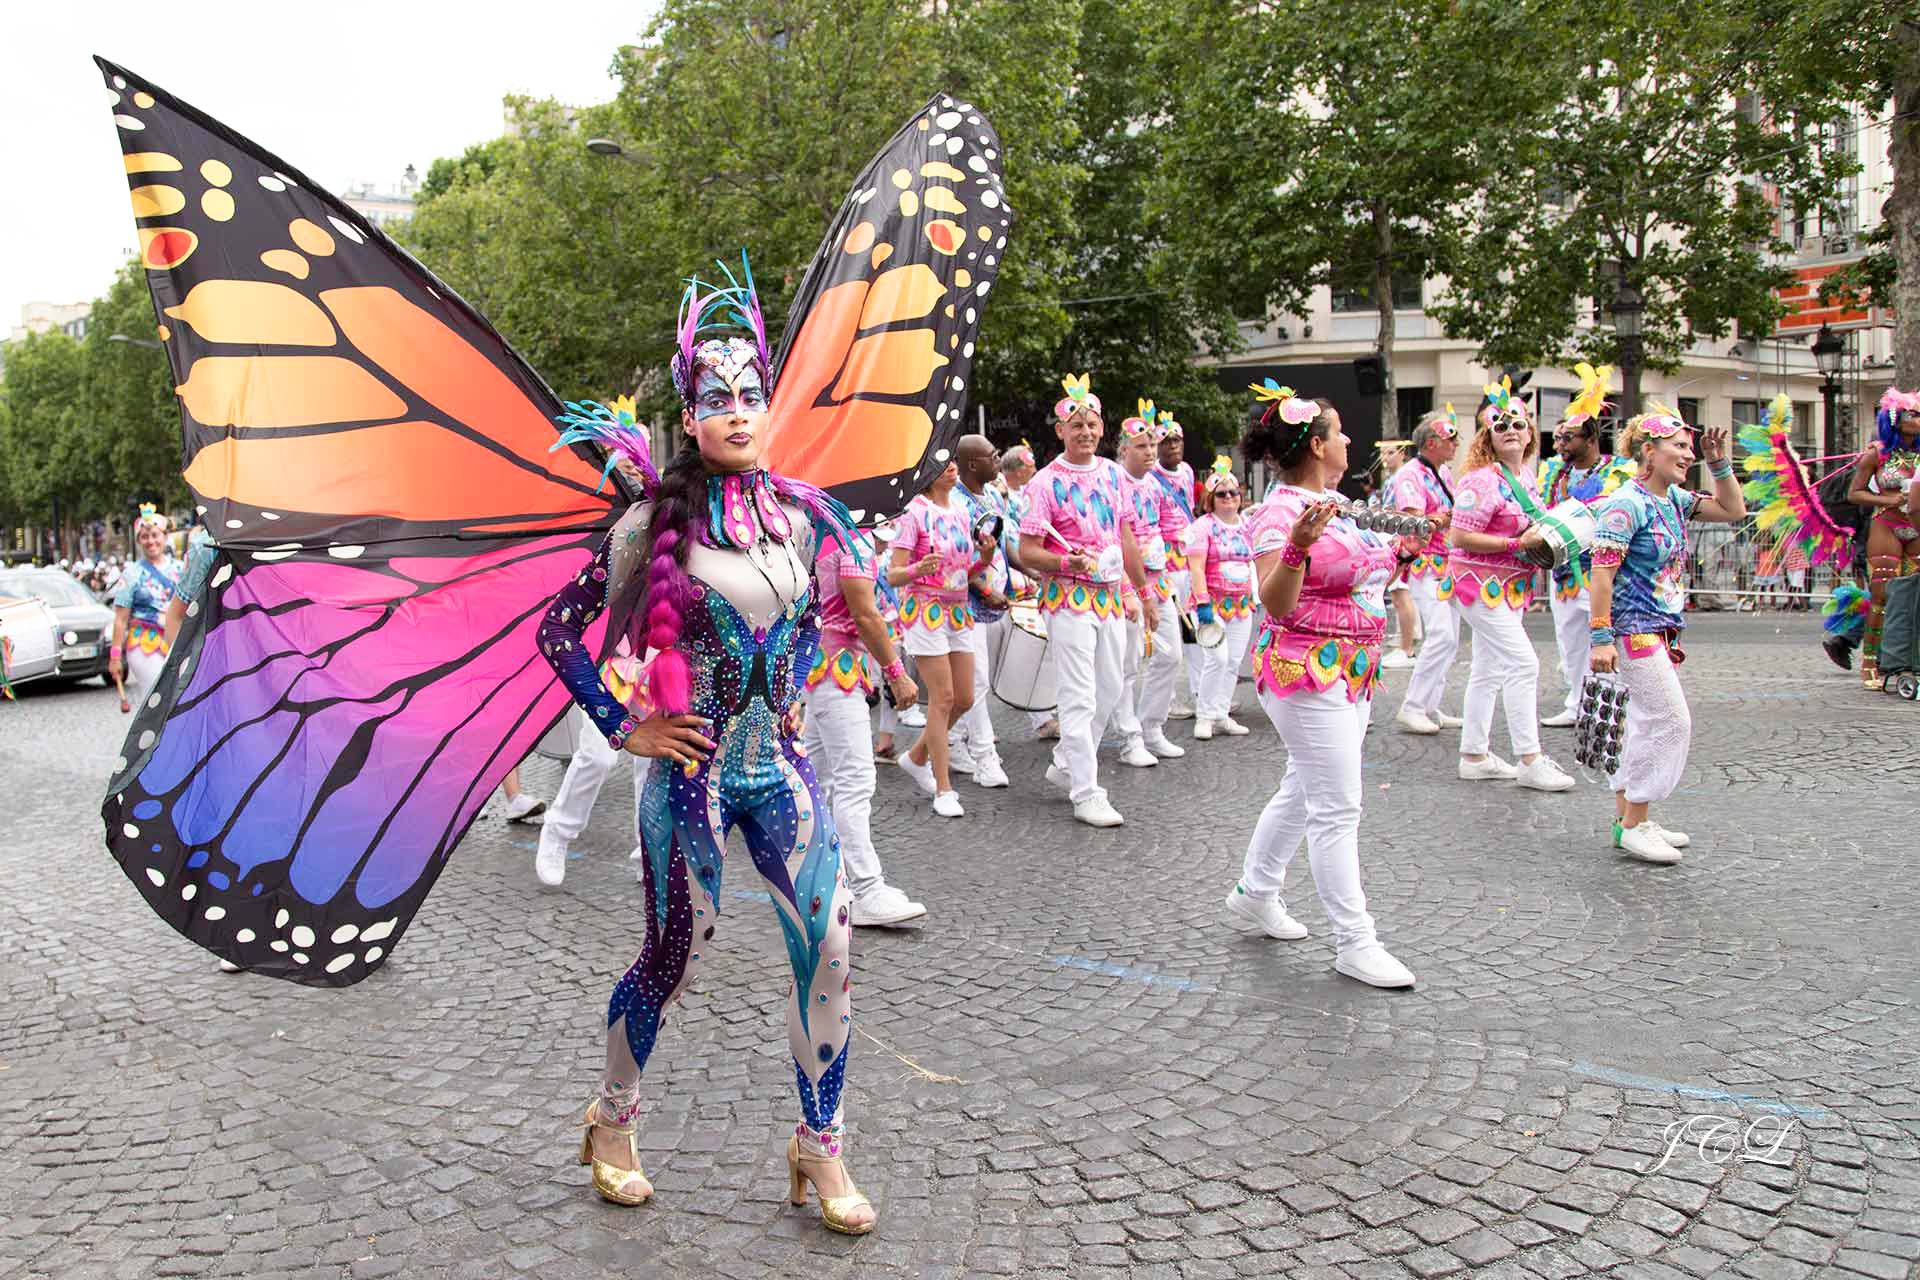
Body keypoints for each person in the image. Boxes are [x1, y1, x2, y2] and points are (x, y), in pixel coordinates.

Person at [536, 271, 875, 1231]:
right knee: (674, 960)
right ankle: (611, 1119)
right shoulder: (651, 524)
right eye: (716, 398)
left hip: (784, 773)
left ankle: (821, 1148)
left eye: (751, 395)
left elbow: (824, 622)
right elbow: (559, 633)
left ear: (772, 404)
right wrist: (623, 725)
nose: (738, 412)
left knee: (832, 951)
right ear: (689, 415)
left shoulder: (807, 515)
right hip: (690, 775)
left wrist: (820, 683)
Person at [1224, 383, 1413, 988]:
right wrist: (1299, 549)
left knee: (1303, 791)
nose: (1350, 440)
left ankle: (1256, 892)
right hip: (1304, 670)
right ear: (1316, 443)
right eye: (1339, 431)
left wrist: (1403, 551)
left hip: (1352, 671)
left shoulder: (1342, 505)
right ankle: (1355, 941)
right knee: (1337, 807)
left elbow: (1368, 574)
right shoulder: (1278, 515)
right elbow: (1276, 603)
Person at [1588, 406, 1746, 862]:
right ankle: (1636, 821)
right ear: (1647, 451)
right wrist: (1601, 638)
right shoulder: (1625, 504)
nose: (1687, 453)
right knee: (1671, 721)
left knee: (1642, 723)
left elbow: (1733, 509)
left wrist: (1719, 463)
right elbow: (1602, 577)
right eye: (1678, 446)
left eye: (1689, 446)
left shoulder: (1674, 500)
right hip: (1632, 630)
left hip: (1660, 629)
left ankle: (1628, 819)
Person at [1014, 374, 1156, 827]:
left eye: (1092, 424)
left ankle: (1066, 761)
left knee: (1111, 689)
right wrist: (1066, 564)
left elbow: (1127, 535)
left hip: (1111, 600)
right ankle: (1086, 792)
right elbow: (1027, 550)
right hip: (1068, 600)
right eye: (1077, 425)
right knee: (1079, 697)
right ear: (1060, 432)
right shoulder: (1044, 483)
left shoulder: (1115, 475)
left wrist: (1142, 591)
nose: (1086, 432)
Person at [1446, 381, 1576, 791]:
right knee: (1523, 664)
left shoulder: (1527, 478)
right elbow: (1460, 537)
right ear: (1488, 435)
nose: (1510, 429)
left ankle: (1474, 754)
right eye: (1500, 424)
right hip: (1478, 585)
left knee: (1489, 670)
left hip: (1509, 587)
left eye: (1518, 423)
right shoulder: (1481, 481)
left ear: (1530, 432)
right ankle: (1530, 758)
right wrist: (1516, 544)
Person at [802, 525, 927, 925]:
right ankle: (866, 889)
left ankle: (818, 883)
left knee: (819, 784)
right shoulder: (849, 540)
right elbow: (866, 614)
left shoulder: (814, 534)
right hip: (837, 675)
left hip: (820, 669)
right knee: (853, 782)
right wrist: (896, 672)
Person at [890, 459, 991, 817]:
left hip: (959, 610)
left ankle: (917, 756)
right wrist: (918, 569)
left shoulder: (963, 509)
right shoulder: (913, 513)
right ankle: (943, 786)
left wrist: (986, 557)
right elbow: (893, 574)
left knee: (965, 697)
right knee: (943, 698)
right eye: (943, 463)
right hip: (925, 612)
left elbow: (966, 570)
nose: (952, 467)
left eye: (953, 462)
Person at [1536, 365, 1634, 728]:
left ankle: (1608, 705)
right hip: (1563, 574)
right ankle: (1576, 702)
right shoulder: (1553, 473)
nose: (1560, 444)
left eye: (1568, 438)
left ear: (1590, 438)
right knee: (1570, 643)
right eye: (1559, 438)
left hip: (1599, 571)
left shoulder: (1616, 470)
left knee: (1603, 637)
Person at [1118, 403, 1185, 760]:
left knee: (1170, 655)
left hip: (1158, 583)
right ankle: (1130, 739)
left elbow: (1168, 528)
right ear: (1124, 449)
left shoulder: (1157, 485)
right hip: (1125, 587)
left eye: (1152, 445)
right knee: (1128, 664)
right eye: (1141, 446)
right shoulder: (1114, 482)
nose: (1150, 452)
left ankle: (1152, 726)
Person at [1391, 410, 1465, 735]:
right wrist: (1451, 515)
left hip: (1448, 562)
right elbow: (1415, 522)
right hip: (1425, 564)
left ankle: (1431, 705)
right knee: (1441, 634)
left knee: (1451, 639)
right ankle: (1413, 706)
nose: (1456, 444)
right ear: (1432, 442)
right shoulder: (1410, 475)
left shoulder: (1443, 472)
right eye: (1451, 439)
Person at [948, 433, 1014, 789]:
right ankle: (985, 755)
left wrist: (1030, 574)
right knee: (976, 681)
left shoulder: (990, 496)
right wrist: (984, 589)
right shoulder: (956, 503)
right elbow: (958, 558)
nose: (998, 459)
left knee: (973, 682)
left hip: (994, 602)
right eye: (992, 455)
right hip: (966, 606)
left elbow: (1004, 546)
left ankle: (952, 742)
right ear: (973, 464)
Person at [1848, 387, 1920, 688]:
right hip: (1886, 525)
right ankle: (1870, 663)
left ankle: (1910, 657)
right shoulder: (1877, 454)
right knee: (1881, 595)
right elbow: (1855, 493)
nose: (1918, 418)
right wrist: (1889, 501)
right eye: (1912, 414)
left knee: (1916, 594)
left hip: (1916, 524)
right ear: (1895, 419)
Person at [1184, 456, 1258, 740]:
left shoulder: (1247, 526)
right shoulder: (1202, 527)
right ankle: (1204, 715)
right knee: (1217, 658)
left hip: (1241, 605)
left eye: (1233, 493)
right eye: (1221, 494)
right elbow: (1196, 567)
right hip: (1211, 604)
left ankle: (1221, 713)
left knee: (1233, 662)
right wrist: (1203, 603)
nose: (1228, 498)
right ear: (1210, 500)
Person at [1151, 411, 1200, 720]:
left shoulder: (1188, 472)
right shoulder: (1152, 477)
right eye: (1165, 441)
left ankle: (1201, 691)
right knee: (1171, 629)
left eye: (1177, 440)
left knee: (1194, 627)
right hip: (1166, 560)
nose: (1172, 446)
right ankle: (1166, 700)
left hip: (1189, 555)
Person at [109, 504, 181, 715]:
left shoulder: (180, 569)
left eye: (155, 535)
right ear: (139, 541)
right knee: (156, 699)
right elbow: (120, 619)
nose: (151, 541)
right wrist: (115, 656)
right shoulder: (131, 574)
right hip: (145, 643)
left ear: (165, 537)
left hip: (176, 641)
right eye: (145, 537)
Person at [1376, 441, 1420, 671]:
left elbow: (1404, 511)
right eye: (1383, 452)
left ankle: (1407, 648)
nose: (1386, 457)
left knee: (1401, 594)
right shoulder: (1393, 479)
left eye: (1391, 452)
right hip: (1392, 537)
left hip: (1399, 539)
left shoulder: (1403, 478)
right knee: (1399, 595)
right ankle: (1406, 642)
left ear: (1402, 454)